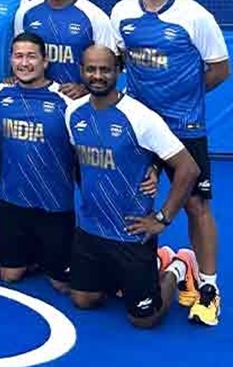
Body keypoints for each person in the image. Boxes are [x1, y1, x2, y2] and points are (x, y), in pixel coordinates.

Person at [110, 0, 229, 324]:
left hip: (185, 128)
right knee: (134, 199)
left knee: (196, 205)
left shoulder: (195, 16)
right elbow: (117, 60)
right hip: (140, 130)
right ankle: (146, 266)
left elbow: (218, 69)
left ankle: (208, 286)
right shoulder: (122, 12)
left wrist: (184, 99)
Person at [66, 44, 201, 329]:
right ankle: (150, 264)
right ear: (82, 71)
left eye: (105, 69)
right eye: (91, 69)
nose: (98, 75)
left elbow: (189, 169)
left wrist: (162, 219)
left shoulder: (141, 117)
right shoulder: (73, 114)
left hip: (131, 233)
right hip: (89, 230)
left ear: (118, 71)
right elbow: (79, 165)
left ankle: (177, 267)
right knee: (83, 299)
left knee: (144, 319)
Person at [0, 33, 75, 291]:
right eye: (18, 56)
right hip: (11, 201)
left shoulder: (65, 100)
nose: (24, 63)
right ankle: (33, 252)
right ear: (10, 60)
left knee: (62, 285)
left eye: (31, 56)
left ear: (45, 61)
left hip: (55, 206)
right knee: (9, 276)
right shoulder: (0, 93)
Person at [13, 0, 116, 95]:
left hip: (76, 102)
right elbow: (19, 56)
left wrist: (86, 88)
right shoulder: (25, 13)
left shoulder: (95, 16)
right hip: (35, 99)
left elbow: (109, 65)